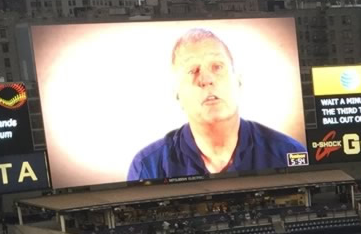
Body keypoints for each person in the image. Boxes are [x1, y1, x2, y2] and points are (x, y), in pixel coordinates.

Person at [126, 28, 304, 181]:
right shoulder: (148, 166)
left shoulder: (289, 153)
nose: (206, 79)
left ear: (239, 82)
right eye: (192, 70)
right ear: (177, 94)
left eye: (217, 67)